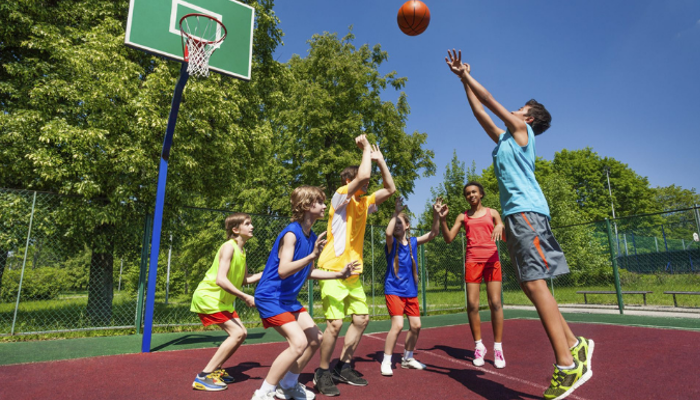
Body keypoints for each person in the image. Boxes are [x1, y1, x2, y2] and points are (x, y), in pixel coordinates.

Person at [445, 49, 594, 400]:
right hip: (517, 218)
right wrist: (462, 81)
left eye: (520, 108)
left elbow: (491, 100)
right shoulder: (505, 140)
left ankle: (566, 367)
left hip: (527, 214)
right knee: (531, 287)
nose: (513, 110)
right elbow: (480, 111)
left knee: (535, 284)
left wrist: (466, 75)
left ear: (529, 116)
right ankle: (576, 345)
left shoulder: (522, 130)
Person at [251, 186, 360, 400]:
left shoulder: (310, 237)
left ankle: (288, 384)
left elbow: (308, 273)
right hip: (270, 297)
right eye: (319, 202)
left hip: (287, 299)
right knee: (298, 342)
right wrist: (311, 256)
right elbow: (283, 270)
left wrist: (340, 274)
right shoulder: (292, 234)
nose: (323, 206)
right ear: (307, 205)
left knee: (315, 338)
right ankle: (263, 392)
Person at [313, 134, 396, 397]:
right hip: (332, 271)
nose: (367, 181)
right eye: (361, 179)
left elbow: (390, 189)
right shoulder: (340, 198)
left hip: (353, 273)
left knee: (361, 319)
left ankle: (344, 366)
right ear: (349, 182)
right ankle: (322, 372)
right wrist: (365, 150)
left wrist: (381, 161)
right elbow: (363, 177)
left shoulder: (364, 203)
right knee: (335, 325)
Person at [190, 212, 263, 391]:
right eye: (247, 223)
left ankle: (216, 371)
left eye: (251, 223)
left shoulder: (242, 251)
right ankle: (204, 376)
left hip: (222, 301)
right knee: (237, 334)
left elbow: (245, 279)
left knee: (242, 333)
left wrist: (270, 272)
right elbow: (221, 280)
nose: (252, 226)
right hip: (209, 298)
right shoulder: (228, 247)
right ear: (235, 229)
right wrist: (245, 296)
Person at [439, 182, 506, 369]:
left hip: (492, 260)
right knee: (472, 305)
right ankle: (479, 346)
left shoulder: (492, 213)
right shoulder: (463, 216)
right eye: (468, 193)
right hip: (472, 261)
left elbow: (501, 226)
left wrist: (500, 225)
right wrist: (443, 219)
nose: (471, 195)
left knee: (495, 303)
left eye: (474, 192)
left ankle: (498, 349)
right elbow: (448, 238)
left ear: (481, 194)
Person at [380, 196, 441, 377]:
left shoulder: (413, 242)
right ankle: (386, 360)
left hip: (410, 291)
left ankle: (407, 358)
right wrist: (395, 213)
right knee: (397, 325)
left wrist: (436, 215)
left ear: (407, 225)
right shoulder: (392, 245)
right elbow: (388, 233)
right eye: (395, 222)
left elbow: (433, 233)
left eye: (400, 222)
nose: (397, 225)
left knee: (416, 326)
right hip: (394, 290)